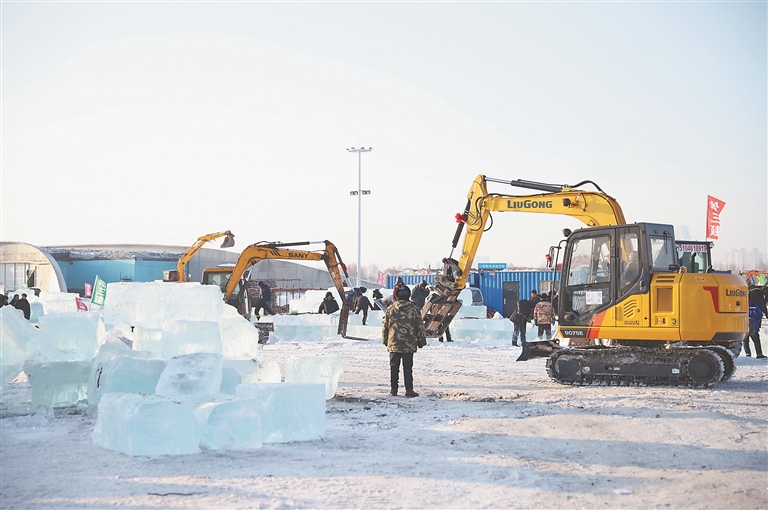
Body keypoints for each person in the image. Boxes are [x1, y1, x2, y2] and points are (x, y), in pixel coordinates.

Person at [382, 285, 426, 397]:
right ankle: (409, 390)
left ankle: (393, 390)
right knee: (407, 368)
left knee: (394, 368)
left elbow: (385, 327)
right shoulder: (414, 309)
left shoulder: (390, 309)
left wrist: (385, 341)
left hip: (394, 344)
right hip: (409, 344)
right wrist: (421, 341)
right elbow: (420, 327)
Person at [746, 294, 766, 358]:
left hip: (743, 324)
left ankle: (747, 353)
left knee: (745, 340)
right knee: (756, 340)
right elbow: (760, 315)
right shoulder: (753, 305)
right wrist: (757, 320)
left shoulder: (740, 305)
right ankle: (759, 353)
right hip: (753, 324)